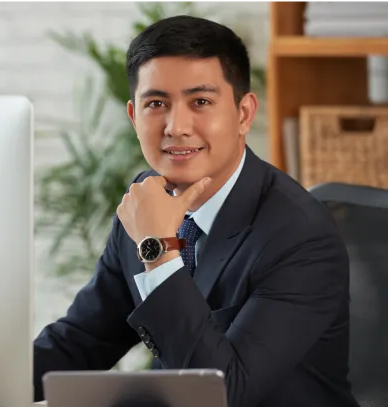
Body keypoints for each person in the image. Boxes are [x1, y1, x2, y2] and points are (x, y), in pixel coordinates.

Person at [33, 15, 360, 407]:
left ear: (243, 114)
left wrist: (158, 248)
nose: (176, 127)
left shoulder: (301, 237)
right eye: (156, 104)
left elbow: (221, 394)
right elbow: (85, 339)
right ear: (134, 117)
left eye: (200, 102)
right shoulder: (145, 199)